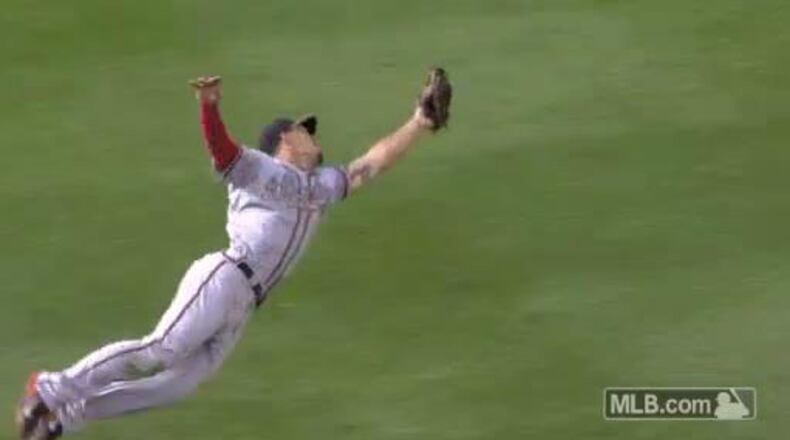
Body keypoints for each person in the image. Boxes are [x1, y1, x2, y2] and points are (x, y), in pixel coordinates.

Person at [15, 69, 452, 439]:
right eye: (305, 130)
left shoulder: (320, 187)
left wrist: (419, 123)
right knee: (162, 348)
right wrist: (209, 107)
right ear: (287, 139)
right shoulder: (259, 170)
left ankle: (63, 419)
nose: (313, 137)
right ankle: (49, 388)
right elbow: (223, 153)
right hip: (224, 277)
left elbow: (371, 164)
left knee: (177, 386)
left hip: (244, 305)